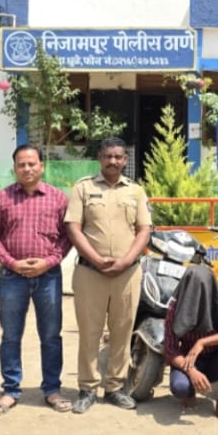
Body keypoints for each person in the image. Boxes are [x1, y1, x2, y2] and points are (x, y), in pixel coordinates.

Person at [65, 137, 151, 414]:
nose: (113, 161)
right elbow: (73, 228)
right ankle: (87, 388)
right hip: (90, 272)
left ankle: (114, 387)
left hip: (128, 273)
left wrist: (125, 261)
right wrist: (96, 259)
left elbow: (144, 230)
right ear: (100, 158)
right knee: (89, 332)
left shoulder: (136, 191)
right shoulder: (83, 188)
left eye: (118, 157)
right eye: (108, 156)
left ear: (125, 160)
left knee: (122, 331)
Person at [0, 144, 72, 415]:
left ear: (41, 166)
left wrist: (49, 261)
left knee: (51, 335)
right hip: (12, 276)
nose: (27, 169)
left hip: (48, 277)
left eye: (32, 163)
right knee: (11, 336)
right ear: (14, 168)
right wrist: (12, 263)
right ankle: (10, 390)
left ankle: (52, 389)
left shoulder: (58, 199)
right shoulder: (1, 199)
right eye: (21, 164)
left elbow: (67, 237)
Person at [163, 265, 218, 423]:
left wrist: (202, 342)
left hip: (215, 359)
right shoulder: (175, 308)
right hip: (188, 361)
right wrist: (191, 371)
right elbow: (170, 350)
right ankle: (189, 393)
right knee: (180, 388)